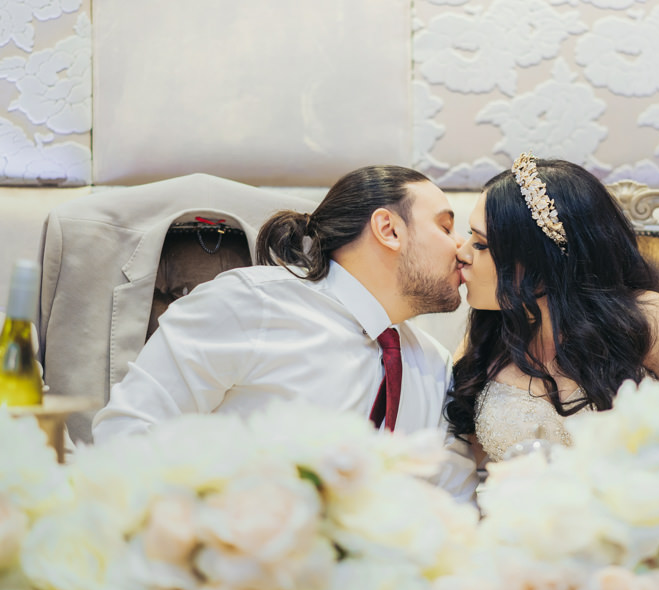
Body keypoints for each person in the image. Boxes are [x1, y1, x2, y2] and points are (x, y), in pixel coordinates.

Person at [92, 165, 479, 501]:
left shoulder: (435, 364)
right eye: (446, 227)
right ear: (388, 229)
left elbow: (453, 503)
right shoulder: (248, 304)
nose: (462, 248)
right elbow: (127, 433)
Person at [446, 153, 659, 464]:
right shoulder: (487, 336)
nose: (461, 253)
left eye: (481, 244)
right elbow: (457, 463)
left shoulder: (649, 319)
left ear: (540, 260)